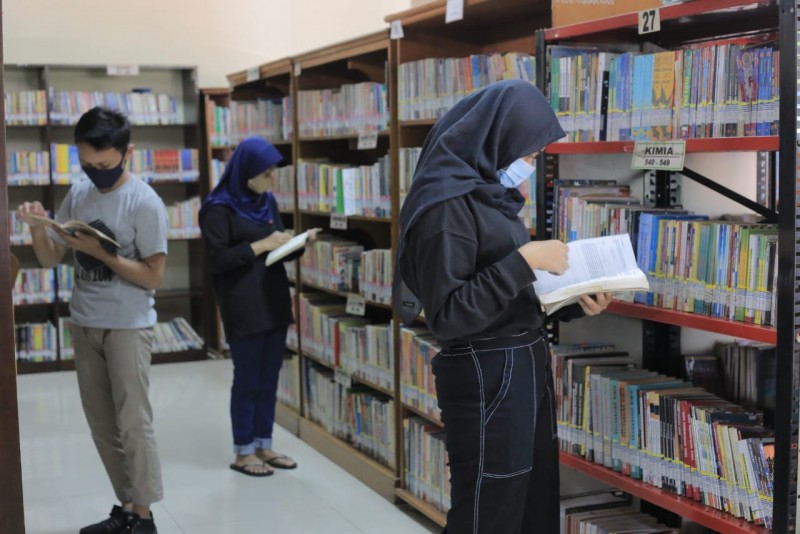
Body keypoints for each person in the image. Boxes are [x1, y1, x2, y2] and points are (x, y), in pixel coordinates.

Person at [393, 79, 613, 534]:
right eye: (527, 155)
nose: (530, 165)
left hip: (522, 358)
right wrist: (524, 261)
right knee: (489, 512)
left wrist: (572, 302)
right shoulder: (444, 208)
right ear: (495, 140)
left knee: (531, 502)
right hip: (485, 371)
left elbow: (503, 294)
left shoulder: (488, 194)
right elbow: (450, 316)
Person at [17, 107, 168, 534]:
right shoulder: (80, 193)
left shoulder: (145, 202)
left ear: (127, 153)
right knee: (102, 424)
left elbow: (152, 276)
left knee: (133, 422)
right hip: (84, 322)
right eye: (86, 164)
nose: (95, 172)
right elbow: (51, 258)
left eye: (104, 164)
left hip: (128, 325)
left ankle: (144, 518)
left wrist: (101, 253)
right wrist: (36, 228)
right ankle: (127, 508)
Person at [200, 137, 319, 477]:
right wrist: (263, 244)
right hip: (242, 303)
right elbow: (218, 260)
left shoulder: (266, 201)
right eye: (265, 172)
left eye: (272, 171)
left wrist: (298, 244)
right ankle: (243, 450)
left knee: (269, 379)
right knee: (248, 379)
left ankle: (264, 444)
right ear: (246, 171)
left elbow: (277, 247)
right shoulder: (217, 208)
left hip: (272, 297)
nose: (271, 178)